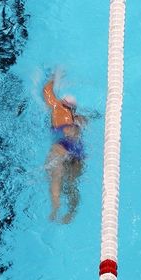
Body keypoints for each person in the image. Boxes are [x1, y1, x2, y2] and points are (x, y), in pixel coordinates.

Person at [42, 75, 85, 223]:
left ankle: (55, 207)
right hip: (77, 150)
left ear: (62, 103)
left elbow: (46, 91)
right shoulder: (78, 118)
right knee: (72, 185)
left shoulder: (56, 106)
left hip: (61, 146)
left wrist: (54, 77)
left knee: (55, 177)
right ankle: (71, 212)